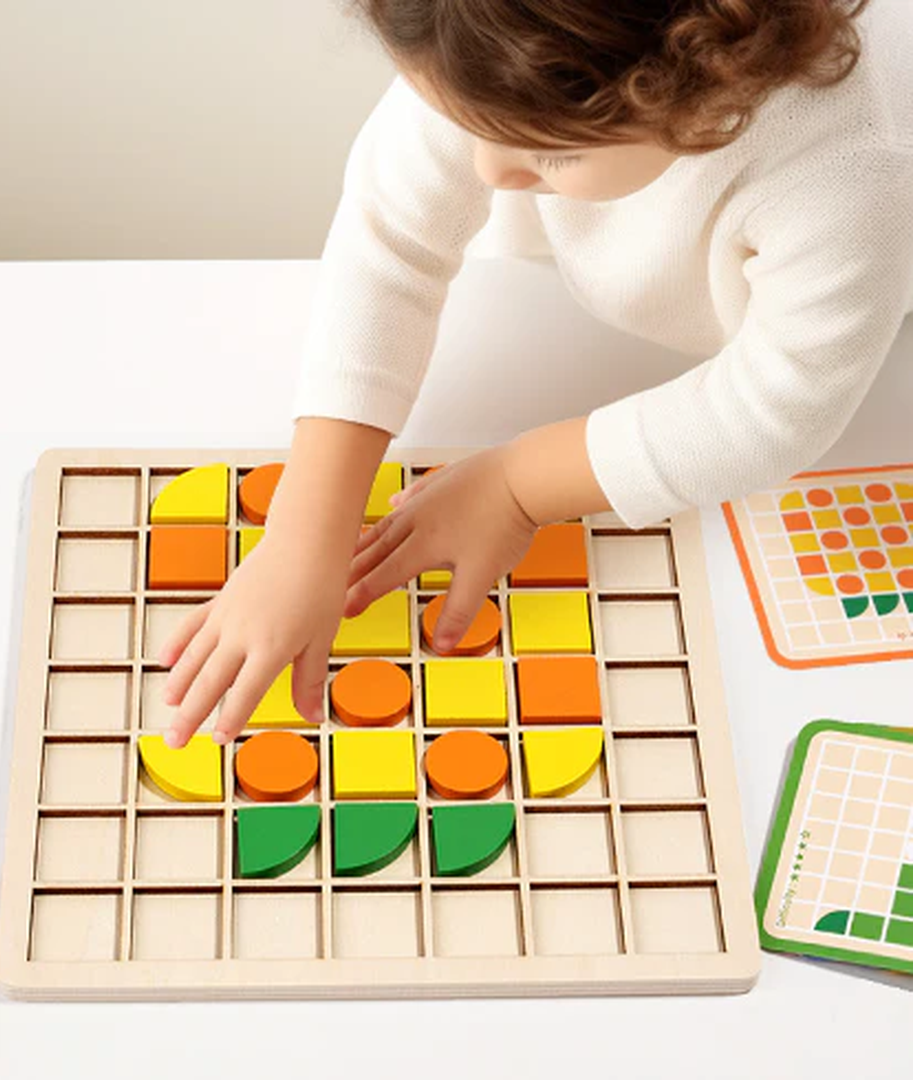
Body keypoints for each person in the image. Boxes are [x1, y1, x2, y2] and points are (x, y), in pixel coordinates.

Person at [160, 0, 913, 748]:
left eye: (549, 152)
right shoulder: (485, 33)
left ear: (708, 83)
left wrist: (517, 487)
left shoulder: (854, 167)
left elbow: (775, 405)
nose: (486, 169)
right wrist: (306, 530)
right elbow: (389, 242)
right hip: (576, 298)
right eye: (461, 120)